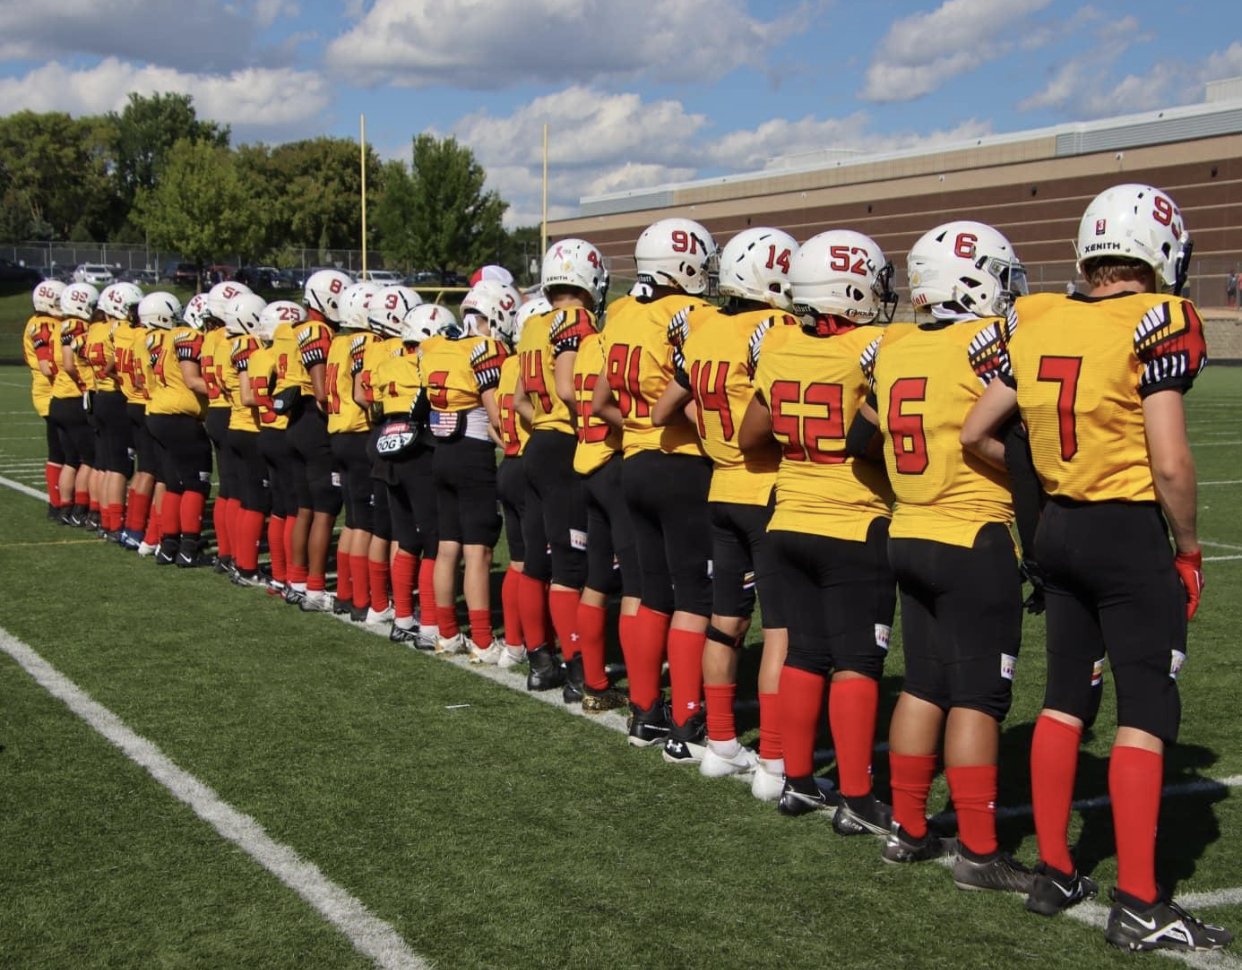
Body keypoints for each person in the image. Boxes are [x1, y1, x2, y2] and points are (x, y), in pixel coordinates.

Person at [961, 183, 1232, 951]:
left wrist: (1042, 488)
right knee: (1147, 708)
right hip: (1122, 534)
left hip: (1057, 529)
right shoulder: (1163, 317)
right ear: (1163, 251)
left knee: (1062, 701)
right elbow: (1172, 461)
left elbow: (981, 431)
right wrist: (1186, 546)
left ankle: (1054, 869)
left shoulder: (1040, 314)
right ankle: (1142, 903)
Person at [855, 220, 1035, 891]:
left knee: (925, 683)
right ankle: (981, 853)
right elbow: (1014, 435)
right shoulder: (989, 343)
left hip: (909, 530)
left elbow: (860, 437)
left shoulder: (895, 344)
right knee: (979, 699)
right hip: (972, 535)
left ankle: (907, 828)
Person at [739, 229, 896, 829]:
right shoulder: (874, 347)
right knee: (857, 661)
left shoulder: (776, 347)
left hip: (787, 515)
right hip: (851, 520)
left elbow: (751, 435)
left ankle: (798, 780)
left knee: (805, 652)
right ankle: (856, 798)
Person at [651, 226, 797, 797]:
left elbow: (666, 407)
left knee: (726, 621)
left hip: (719, 490)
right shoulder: (773, 328)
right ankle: (775, 763)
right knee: (782, 629)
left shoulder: (706, 328)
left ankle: (720, 744)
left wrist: (714, 436)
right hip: (764, 488)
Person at [592, 218, 718, 762]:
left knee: (647, 594)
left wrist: (639, 428)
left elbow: (598, 404)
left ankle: (645, 711)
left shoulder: (621, 313)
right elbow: (696, 395)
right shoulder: (690, 314)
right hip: (680, 463)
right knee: (693, 599)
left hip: (632, 463)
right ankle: (688, 718)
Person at [514, 242, 608, 690]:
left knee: (536, 561)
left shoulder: (532, 323)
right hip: (564, 446)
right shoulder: (577, 319)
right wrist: (581, 429)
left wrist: (546, 428)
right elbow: (571, 390)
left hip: (536, 447)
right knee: (570, 566)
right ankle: (576, 669)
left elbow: (518, 401)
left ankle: (540, 661)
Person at [418, 285, 510, 655]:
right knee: (478, 553)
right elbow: (493, 411)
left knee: (446, 548)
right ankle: (483, 639)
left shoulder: (440, 347)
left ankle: (447, 632)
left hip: (442, 452)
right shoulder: (482, 349)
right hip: (473, 454)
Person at [24, 279, 67, 517]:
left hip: (52, 390)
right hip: (50, 391)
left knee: (62, 451)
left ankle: (59, 501)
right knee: (60, 451)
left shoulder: (47, 321)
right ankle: (57, 502)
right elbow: (47, 366)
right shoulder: (43, 324)